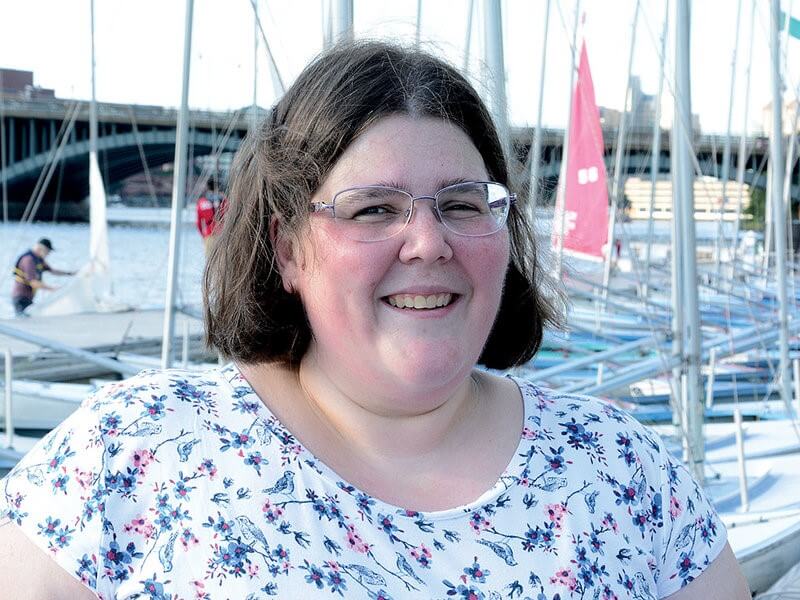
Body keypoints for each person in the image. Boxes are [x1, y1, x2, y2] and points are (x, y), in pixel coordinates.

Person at [0, 41, 749, 599]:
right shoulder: (129, 457)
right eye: (374, 210)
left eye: (462, 204)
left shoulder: (626, 473)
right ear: (287, 249)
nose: (428, 241)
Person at [10, 237, 74, 316]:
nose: (48, 254)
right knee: (23, 320)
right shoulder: (29, 260)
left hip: (28, 298)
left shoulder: (38, 259)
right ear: (41, 248)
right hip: (21, 299)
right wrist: (53, 289)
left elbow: (52, 271)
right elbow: (33, 282)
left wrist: (72, 273)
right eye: (48, 251)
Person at [196, 180, 228, 255]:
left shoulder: (202, 202)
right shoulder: (223, 201)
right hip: (221, 234)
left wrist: (203, 235)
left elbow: (198, 223)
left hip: (209, 235)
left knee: (210, 261)